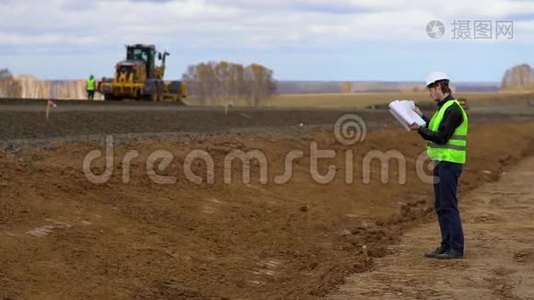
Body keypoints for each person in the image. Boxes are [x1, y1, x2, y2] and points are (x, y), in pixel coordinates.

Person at [409, 71, 469, 259]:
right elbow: (436, 128)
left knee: (448, 206)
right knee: (441, 205)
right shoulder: (443, 108)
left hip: (450, 162)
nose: (429, 93)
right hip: (442, 162)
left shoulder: (453, 109)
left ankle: (456, 248)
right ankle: (446, 245)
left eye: (430, 90)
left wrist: (420, 129)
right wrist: (421, 118)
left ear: (438, 87)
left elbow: (442, 137)